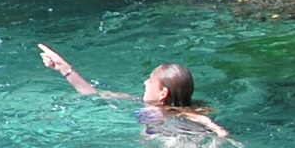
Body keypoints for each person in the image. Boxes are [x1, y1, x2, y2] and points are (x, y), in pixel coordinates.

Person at [38, 44, 229, 138]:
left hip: (173, 141)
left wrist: (219, 132)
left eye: (150, 80)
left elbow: (201, 120)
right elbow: (92, 93)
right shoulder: (145, 102)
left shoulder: (159, 112)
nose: (145, 82)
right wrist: (63, 68)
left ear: (163, 93)